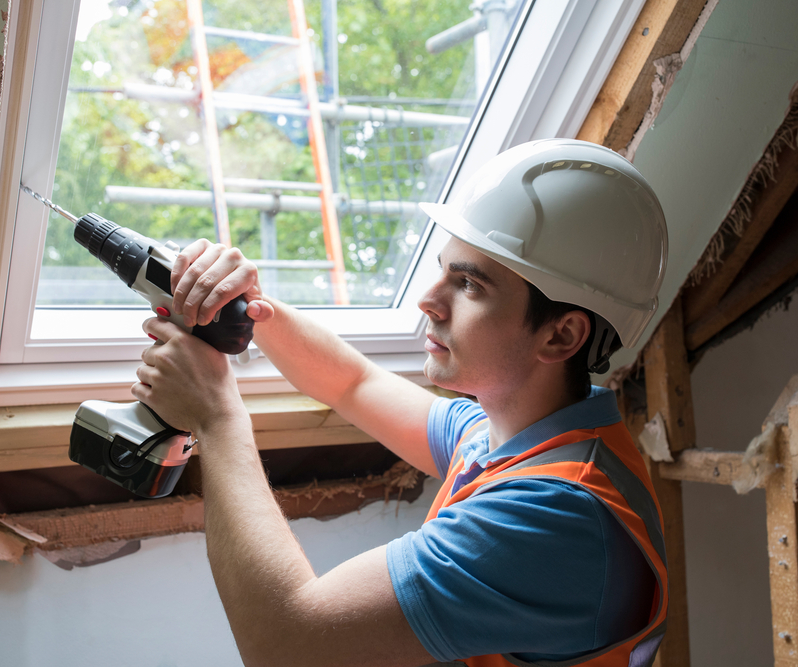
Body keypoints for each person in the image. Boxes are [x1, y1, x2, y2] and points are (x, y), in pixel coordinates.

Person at [132, 139, 670, 667]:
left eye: (469, 285)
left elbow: (287, 646)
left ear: (561, 336)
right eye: (444, 269)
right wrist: (245, 305)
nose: (429, 300)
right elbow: (353, 383)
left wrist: (217, 416)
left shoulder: (556, 515)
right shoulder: (510, 434)